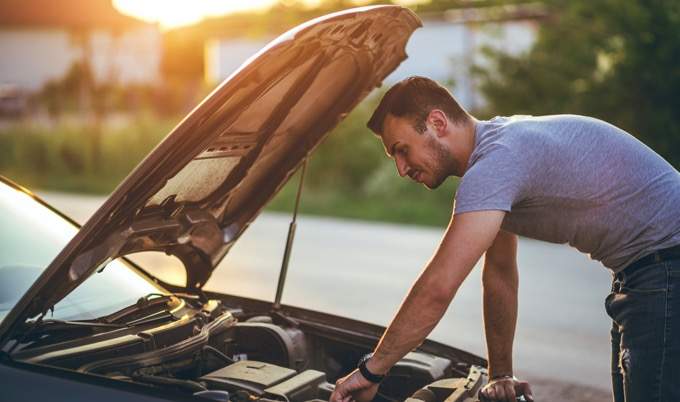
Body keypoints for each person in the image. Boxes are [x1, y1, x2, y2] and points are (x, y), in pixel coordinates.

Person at [328, 76, 680, 402]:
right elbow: (498, 274)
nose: (401, 169)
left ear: (437, 123)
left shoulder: (495, 164)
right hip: (650, 272)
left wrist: (372, 370)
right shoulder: (499, 151)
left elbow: (438, 288)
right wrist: (500, 373)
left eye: (402, 150)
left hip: (666, 267)